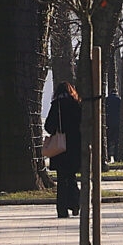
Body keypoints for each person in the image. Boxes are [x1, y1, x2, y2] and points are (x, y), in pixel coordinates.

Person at [44, 81, 84, 218]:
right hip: (74, 145)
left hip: (60, 146)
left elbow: (48, 126)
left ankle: (62, 210)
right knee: (72, 177)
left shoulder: (56, 106)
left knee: (62, 179)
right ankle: (75, 203)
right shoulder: (77, 105)